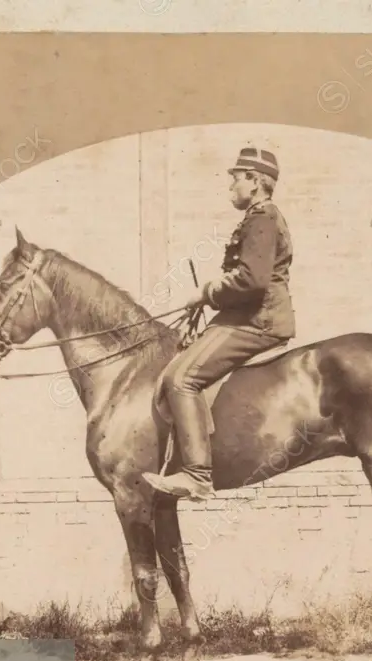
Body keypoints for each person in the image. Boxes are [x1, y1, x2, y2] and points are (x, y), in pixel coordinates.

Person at [143, 146, 297, 501]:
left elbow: (252, 281)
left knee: (182, 379)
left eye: (236, 177)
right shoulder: (259, 217)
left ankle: (197, 474)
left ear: (255, 182)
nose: (231, 184)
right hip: (246, 316)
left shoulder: (263, 218)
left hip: (259, 321)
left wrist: (206, 293)